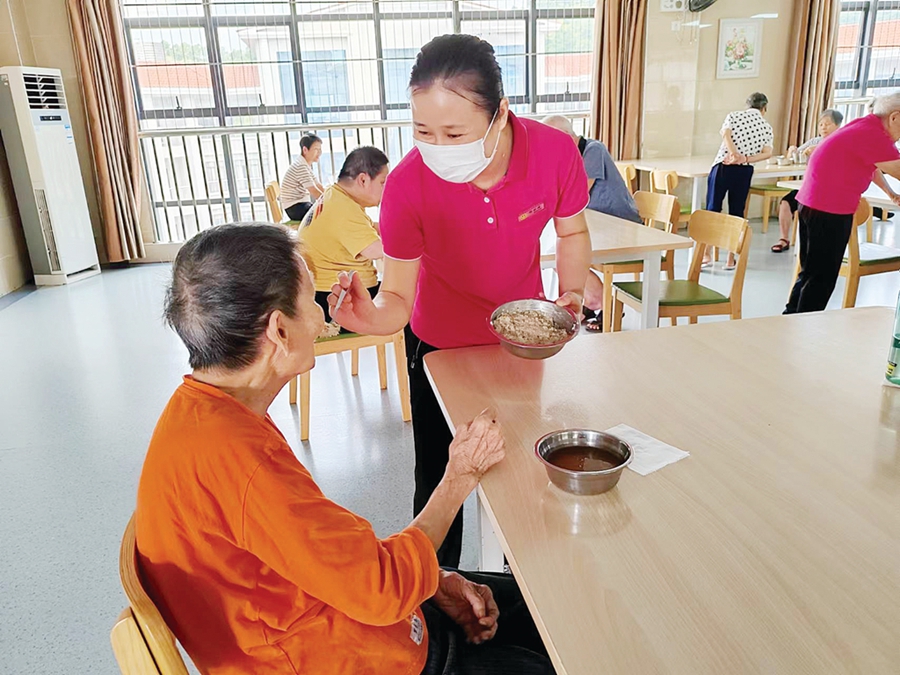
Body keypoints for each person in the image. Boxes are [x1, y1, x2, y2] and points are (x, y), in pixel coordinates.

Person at [135, 223, 555, 675]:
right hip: (340, 656)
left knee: (540, 604)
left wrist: (431, 579)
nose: (321, 317)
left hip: (338, 614)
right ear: (279, 330)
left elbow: (328, 559)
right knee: (563, 645)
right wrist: (459, 477)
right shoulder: (241, 462)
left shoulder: (205, 414)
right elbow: (381, 591)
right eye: (310, 298)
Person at [328, 34, 591, 568]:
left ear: (500, 116)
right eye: (423, 131)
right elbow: (397, 294)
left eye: (454, 133)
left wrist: (572, 291)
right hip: (439, 347)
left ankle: (522, 578)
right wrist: (370, 317)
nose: (439, 148)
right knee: (438, 473)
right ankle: (436, 585)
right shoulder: (407, 185)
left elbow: (571, 231)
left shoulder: (553, 151)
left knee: (518, 460)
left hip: (519, 341)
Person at [785, 92, 900, 314]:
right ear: (894, 117)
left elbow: (874, 165)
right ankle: (801, 324)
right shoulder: (874, 135)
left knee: (810, 272)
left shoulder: (864, 127)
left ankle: (790, 318)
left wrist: (891, 193)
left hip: (812, 203)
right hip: (828, 209)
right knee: (821, 278)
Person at [542, 115, 639, 332]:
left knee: (560, 252)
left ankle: (604, 302)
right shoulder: (571, 154)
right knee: (555, 249)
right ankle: (589, 300)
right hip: (596, 221)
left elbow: (577, 192)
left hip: (618, 222)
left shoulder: (593, 150)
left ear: (565, 138)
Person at [299, 146, 386, 327]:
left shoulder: (335, 195)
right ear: (363, 180)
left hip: (324, 294)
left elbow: (369, 228)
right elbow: (377, 250)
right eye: (382, 183)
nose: (386, 190)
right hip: (338, 300)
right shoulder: (344, 208)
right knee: (409, 303)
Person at [706, 92, 775, 270]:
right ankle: (730, 259)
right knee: (737, 213)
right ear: (764, 108)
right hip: (744, 170)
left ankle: (706, 254)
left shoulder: (734, 116)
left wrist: (733, 154)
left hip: (723, 165)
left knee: (713, 210)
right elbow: (767, 153)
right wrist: (744, 158)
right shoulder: (766, 127)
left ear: (747, 105)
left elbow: (726, 134)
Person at [772, 109, 844, 253]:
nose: (823, 127)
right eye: (820, 124)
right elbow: (797, 155)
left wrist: (819, 149)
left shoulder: (841, 141)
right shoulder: (814, 141)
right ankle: (784, 239)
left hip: (829, 191)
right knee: (786, 202)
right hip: (809, 187)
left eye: (827, 124)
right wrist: (791, 151)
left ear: (838, 126)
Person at [281, 133, 325, 222]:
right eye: (316, 149)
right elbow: (314, 191)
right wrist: (330, 203)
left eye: (320, 149)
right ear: (305, 150)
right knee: (325, 213)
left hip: (299, 205)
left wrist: (330, 196)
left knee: (324, 209)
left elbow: (318, 185)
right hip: (295, 208)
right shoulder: (300, 166)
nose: (319, 153)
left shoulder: (304, 164)